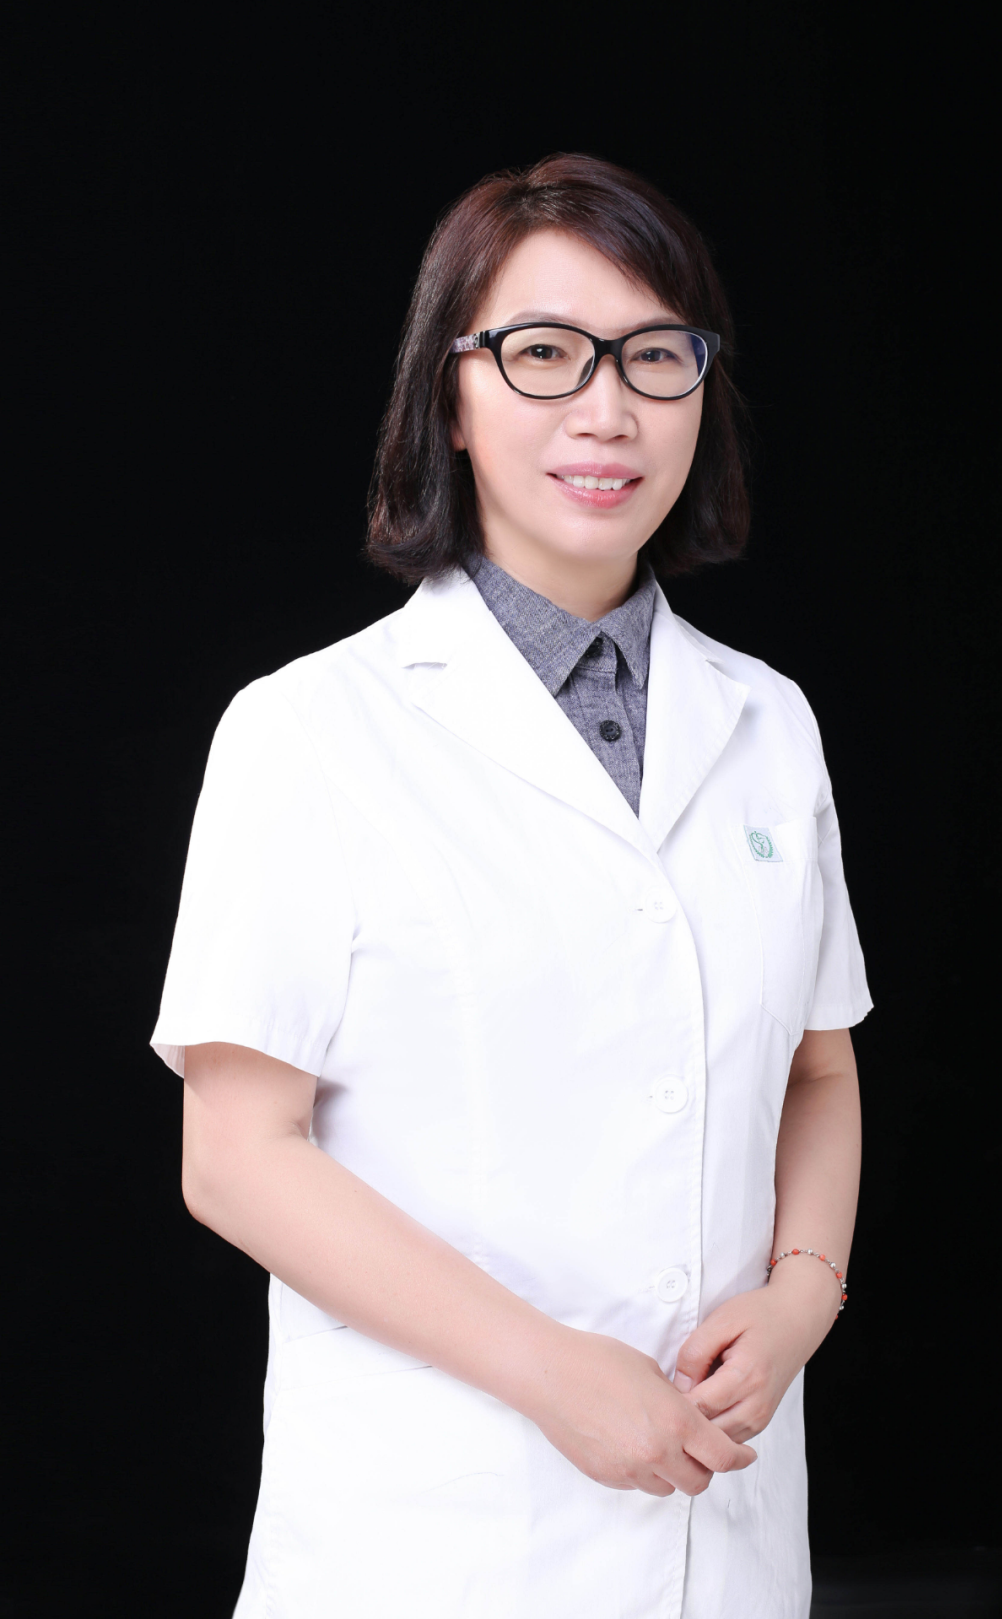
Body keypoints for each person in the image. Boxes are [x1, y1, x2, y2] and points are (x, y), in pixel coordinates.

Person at [152, 153, 871, 1619]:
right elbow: (234, 1155)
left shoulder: (768, 723)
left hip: (722, 1531)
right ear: (451, 395)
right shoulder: (309, 730)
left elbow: (819, 1064)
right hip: (437, 1538)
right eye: (545, 354)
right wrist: (551, 1374)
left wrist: (805, 1289)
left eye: (655, 356)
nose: (607, 409)